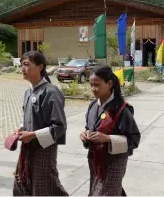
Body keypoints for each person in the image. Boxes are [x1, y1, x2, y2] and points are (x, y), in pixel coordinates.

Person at [12, 51, 68, 196]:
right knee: (22, 183)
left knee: (45, 188)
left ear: (40, 67)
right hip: (27, 149)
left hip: (44, 150)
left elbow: (59, 127)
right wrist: (22, 127)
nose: (22, 68)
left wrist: (33, 135)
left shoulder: (51, 92)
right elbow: (33, 119)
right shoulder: (28, 92)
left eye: (26, 64)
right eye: (21, 65)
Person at [81, 66, 141, 196]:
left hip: (114, 163)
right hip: (95, 162)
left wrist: (107, 138)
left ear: (109, 83)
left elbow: (134, 140)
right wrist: (85, 135)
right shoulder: (92, 106)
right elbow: (89, 127)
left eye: (97, 84)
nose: (93, 88)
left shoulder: (122, 109)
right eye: (91, 85)